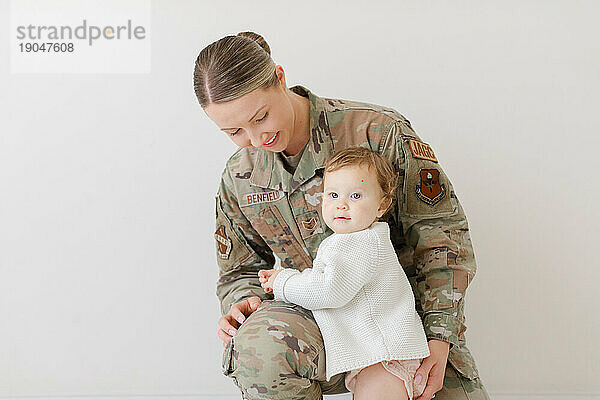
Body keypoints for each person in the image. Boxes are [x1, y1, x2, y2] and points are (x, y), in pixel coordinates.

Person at [194, 31, 490, 400]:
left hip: (403, 330)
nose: (255, 138)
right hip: (319, 329)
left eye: (261, 116)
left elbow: (442, 237)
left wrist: (440, 335)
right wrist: (243, 302)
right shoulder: (240, 174)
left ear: (280, 77)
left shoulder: (376, 131)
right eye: (234, 131)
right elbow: (239, 270)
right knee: (259, 349)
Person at [258, 146, 432, 400]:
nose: (341, 205)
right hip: (377, 353)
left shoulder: (362, 243)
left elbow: (329, 290)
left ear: (382, 205)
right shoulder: (351, 239)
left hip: (386, 357)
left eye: (356, 196)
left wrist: (283, 281)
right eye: (333, 194)